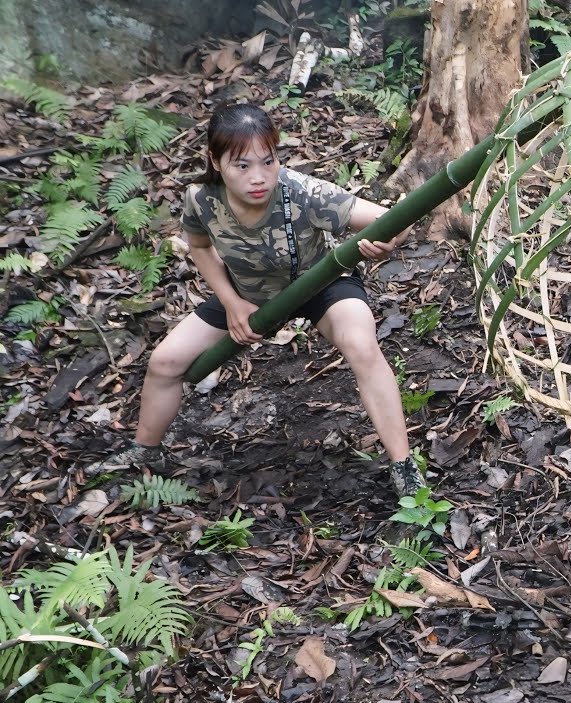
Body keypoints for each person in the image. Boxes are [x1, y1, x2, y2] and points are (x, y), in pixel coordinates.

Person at [88, 103, 426, 496]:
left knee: (361, 344)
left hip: (320, 284)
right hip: (248, 294)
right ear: (215, 161)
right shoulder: (201, 199)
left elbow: (393, 219)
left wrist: (386, 242)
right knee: (165, 362)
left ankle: (404, 468)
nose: (259, 177)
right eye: (242, 166)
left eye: (269, 161)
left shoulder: (303, 191)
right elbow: (198, 247)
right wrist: (231, 303)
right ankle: (144, 451)